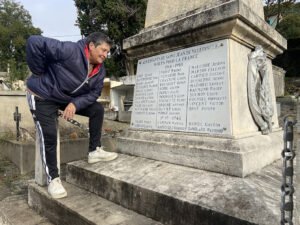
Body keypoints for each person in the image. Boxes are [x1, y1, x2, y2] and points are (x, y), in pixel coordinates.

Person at [25, 32, 118, 199]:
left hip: (65, 99)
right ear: (91, 46)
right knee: (50, 134)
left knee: (97, 109)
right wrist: (38, 72)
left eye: (107, 52)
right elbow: (34, 42)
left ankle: (94, 151)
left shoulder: (100, 70)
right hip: (42, 95)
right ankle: (53, 178)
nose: (105, 55)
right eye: (103, 50)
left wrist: (75, 104)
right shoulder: (70, 50)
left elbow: (93, 94)